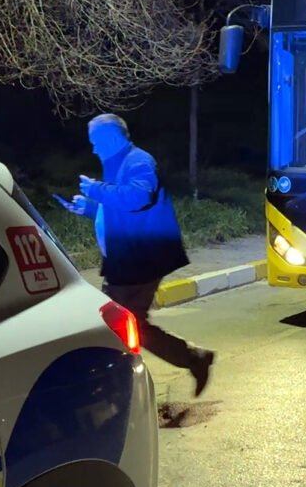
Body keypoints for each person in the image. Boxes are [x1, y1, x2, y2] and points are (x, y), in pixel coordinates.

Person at [61, 114, 215, 396]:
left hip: (140, 260)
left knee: (116, 325)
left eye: (96, 142)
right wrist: (90, 208)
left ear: (112, 138)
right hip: (129, 260)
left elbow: (137, 198)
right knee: (126, 324)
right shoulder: (119, 163)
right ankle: (189, 360)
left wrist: (97, 189)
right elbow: (121, 211)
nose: (93, 149)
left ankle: (117, 389)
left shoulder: (139, 161)